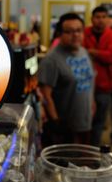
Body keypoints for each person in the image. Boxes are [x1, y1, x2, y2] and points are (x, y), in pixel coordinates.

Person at [38, 12, 94, 146]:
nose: (75, 35)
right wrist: (56, 123)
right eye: (69, 31)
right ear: (59, 34)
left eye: (79, 30)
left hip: (85, 121)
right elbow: (45, 96)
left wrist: (92, 103)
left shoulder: (83, 52)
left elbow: (89, 80)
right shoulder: (51, 60)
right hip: (66, 128)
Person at [83, 6, 112, 146]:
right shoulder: (83, 33)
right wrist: (104, 53)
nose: (100, 20)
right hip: (82, 85)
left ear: (107, 19)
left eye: (103, 17)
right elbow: (78, 51)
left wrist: (94, 53)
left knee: (98, 121)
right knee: (82, 119)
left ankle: (93, 151)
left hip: (103, 86)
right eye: (97, 17)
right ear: (92, 19)